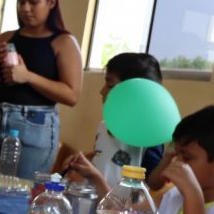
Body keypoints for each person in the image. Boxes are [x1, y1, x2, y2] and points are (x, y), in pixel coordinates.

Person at [0, 0, 82, 178]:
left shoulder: (64, 42)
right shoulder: (7, 37)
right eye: (21, 2)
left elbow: (72, 95)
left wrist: (28, 77)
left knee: (20, 195)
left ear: (51, 2)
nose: (25, 8)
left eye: (33, 2)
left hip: (34, 128)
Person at [66, 52, 165, 196]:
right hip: (97, 206)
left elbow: (155, 183)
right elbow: (105, 162)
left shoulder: (149, 136)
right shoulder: (103, 125)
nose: (102, 91)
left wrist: (168, 158)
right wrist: (83, 162)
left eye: (110, 84)